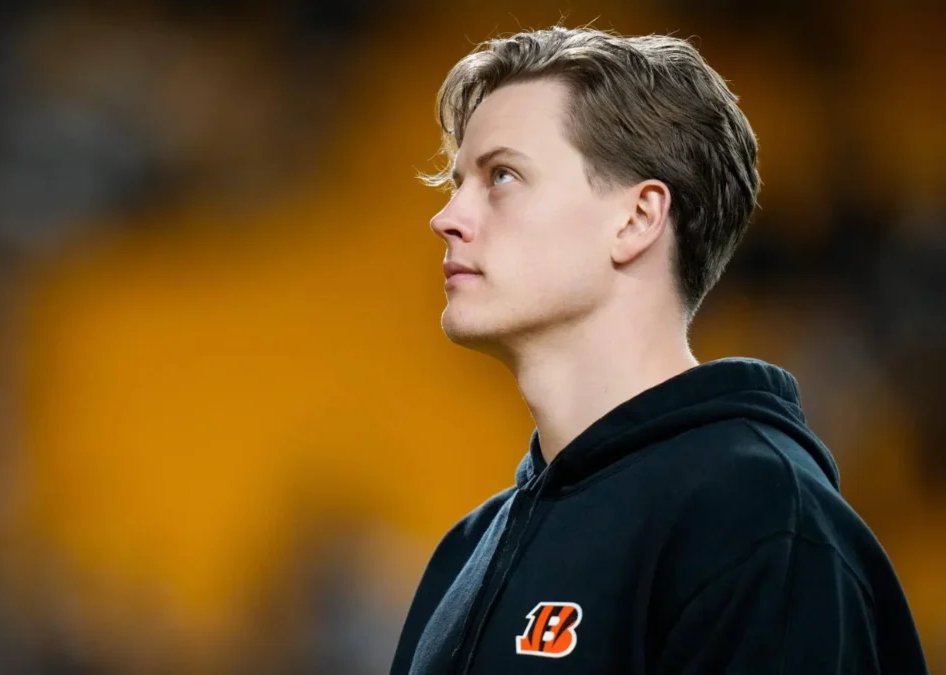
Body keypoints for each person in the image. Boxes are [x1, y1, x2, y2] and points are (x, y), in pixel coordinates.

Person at [389, 26, 929, 675]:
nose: (446, 216)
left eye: (500, 175)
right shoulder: (466, 552)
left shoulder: (758, 519)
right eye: (456, 182)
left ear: (638, 218)